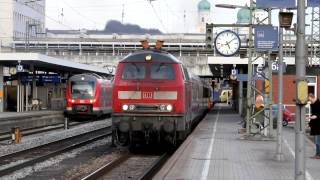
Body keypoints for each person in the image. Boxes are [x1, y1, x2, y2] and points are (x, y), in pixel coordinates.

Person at [308, 93, 320, 159]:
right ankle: (317, 154)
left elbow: (316, 115)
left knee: (318, 141)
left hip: (318, 126)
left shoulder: (318, 104)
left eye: (310, 100)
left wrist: (316, 116)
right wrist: (309, 124)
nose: (310, 101)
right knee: (317, 141)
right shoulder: (313, 104)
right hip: (316, 126)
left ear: (312, 97)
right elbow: (313, 115)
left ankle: (318, 155)